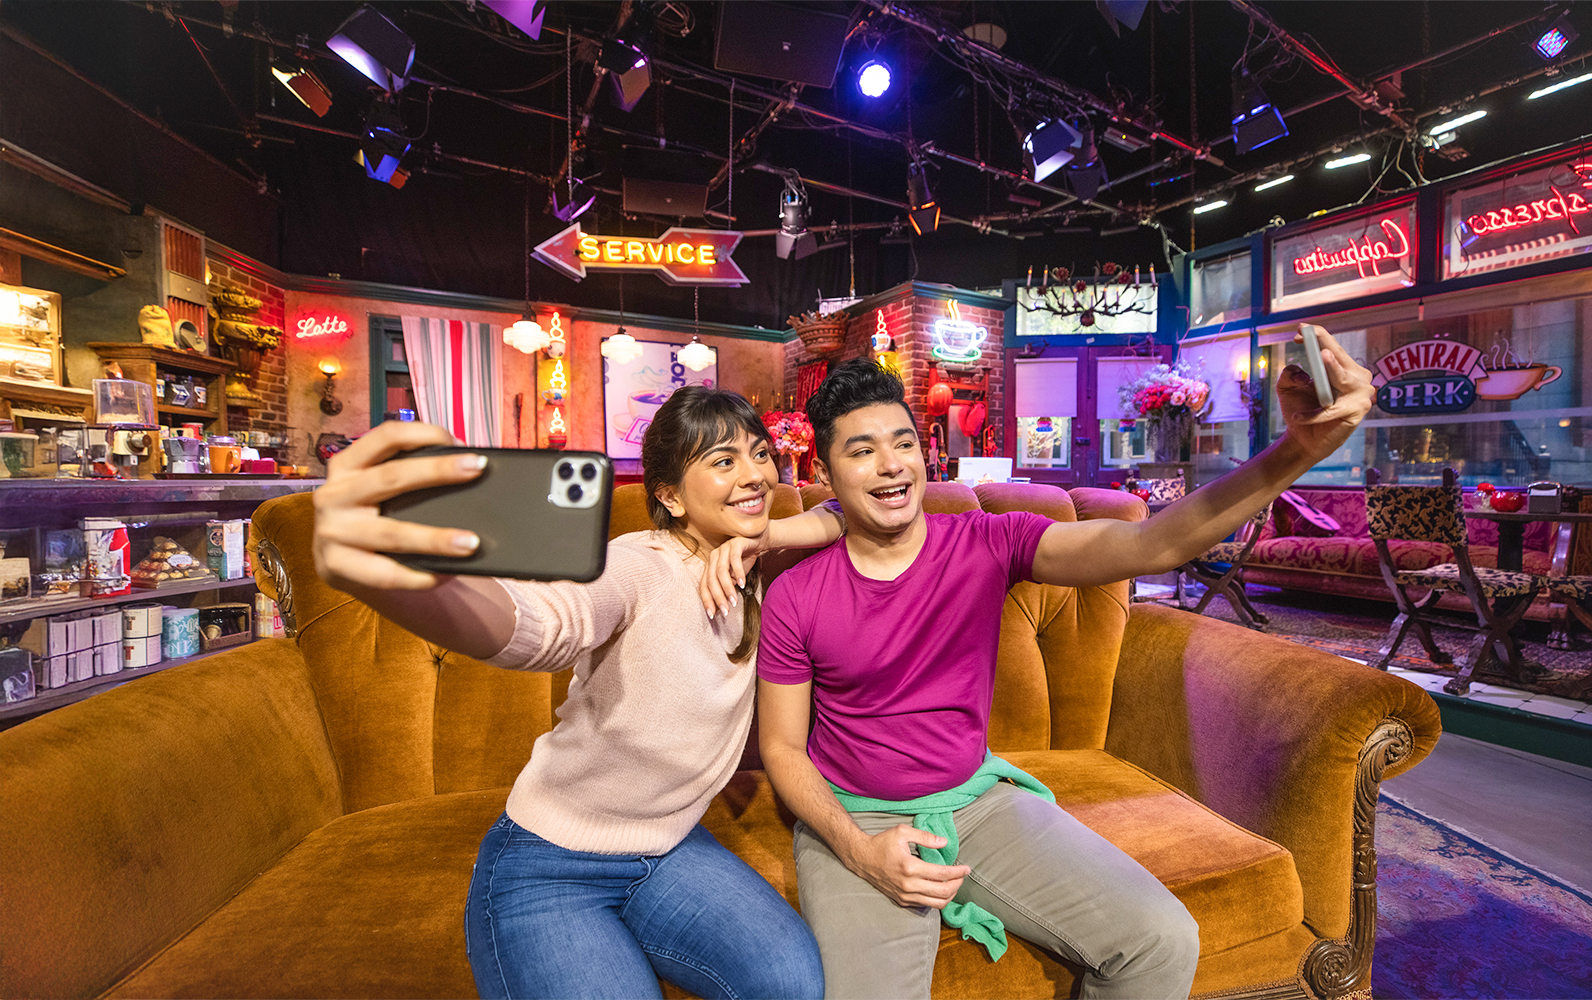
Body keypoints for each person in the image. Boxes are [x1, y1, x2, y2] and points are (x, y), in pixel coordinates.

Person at [752, 342, 1375, 1000]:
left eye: (902, 443)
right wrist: (856, 850)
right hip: (858, 816)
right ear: (825, 468)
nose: (890, 466)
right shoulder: (798, 593)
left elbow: (1153, 542)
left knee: (1161, 938)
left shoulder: (987, 540)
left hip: (977, 804)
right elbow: (783, 748)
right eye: (861, 451)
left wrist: (1295, 452)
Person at [311, 386, 840, 1000]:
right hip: (551, 864)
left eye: (758, 454)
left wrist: (767, 534)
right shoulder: (640, 563)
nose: (754, 476)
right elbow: (548, 623)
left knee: (792, 983)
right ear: (668, 495)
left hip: (669, 848)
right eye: (723, 462)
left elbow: (849, 512)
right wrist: (402, 579)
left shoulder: (754, 564)